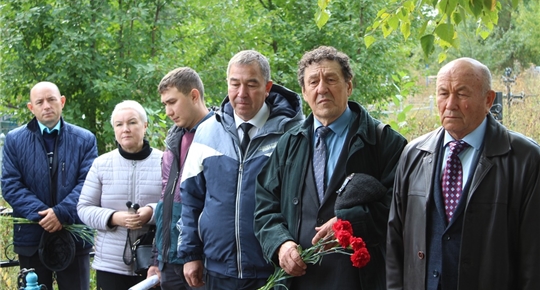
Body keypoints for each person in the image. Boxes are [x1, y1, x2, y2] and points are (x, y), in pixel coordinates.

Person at [254, 46, 407, 289]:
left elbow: (402, 208)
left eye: (331, 79)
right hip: (300, 279)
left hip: (359, 280)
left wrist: (348, 223)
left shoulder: (384, 142)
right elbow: (264, 206)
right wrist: (280, 244)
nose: (322, 88)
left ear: (348, 86)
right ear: (304, 92)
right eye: (313, 82)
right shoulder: (288, 143)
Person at [386, 58, 540, 290]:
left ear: (488, 99)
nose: (450, 104)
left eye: (461, 93)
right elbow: (395, 241)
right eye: (443, 93)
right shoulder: (414, 154)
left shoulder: (525, 159)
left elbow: (533, 257)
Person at [179, 50, 304, 289]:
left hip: (273, 269)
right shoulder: (206, 132)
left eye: (251, 84)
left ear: (267, 87)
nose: (241, 93)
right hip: (217, 270)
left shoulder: (293, 133)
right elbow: (190, 198)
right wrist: (190, 254)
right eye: (235, 84)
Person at [1, 81, 98, 290]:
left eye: (51, 99)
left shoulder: (84, 139)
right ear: (31, 107)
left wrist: (62, 213)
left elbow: (89, 183)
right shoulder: (14, 140)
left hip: (74, 236)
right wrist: (44, 216)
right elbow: (10, 184)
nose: (46, 106)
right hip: (32, 238)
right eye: (40, 102)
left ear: (61, 102)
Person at [77, 100, 162, 290]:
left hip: (153, 263)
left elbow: (178, 205)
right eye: (119, 124)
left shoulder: (165, 161)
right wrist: (113, 217)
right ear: (114, 129)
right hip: (110, 265)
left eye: (132, 122)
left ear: (145, 125)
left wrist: (152, 212)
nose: (126, 129)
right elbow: (83, 208)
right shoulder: (101, 164)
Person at [146, 67, 213, 290]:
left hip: (205, 262)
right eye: (164, 104)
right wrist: (157, 259)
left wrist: (197, 256)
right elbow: (166, 202)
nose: (167, 111)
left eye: (172, 102)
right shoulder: (173, 141)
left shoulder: (220, 135)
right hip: (170, 261)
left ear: (194, 96)